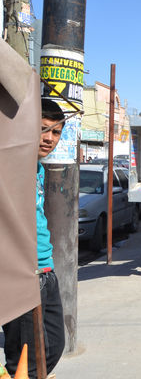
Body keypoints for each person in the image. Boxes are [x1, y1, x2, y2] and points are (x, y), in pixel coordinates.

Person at [2, 99, 66, 378]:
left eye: (56, 132)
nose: (49, 138)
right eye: (43, 129)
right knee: (25, 361)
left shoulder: (37, 168)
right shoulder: (10, 165)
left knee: (52, 348)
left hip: (45, 270)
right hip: (23, 272)